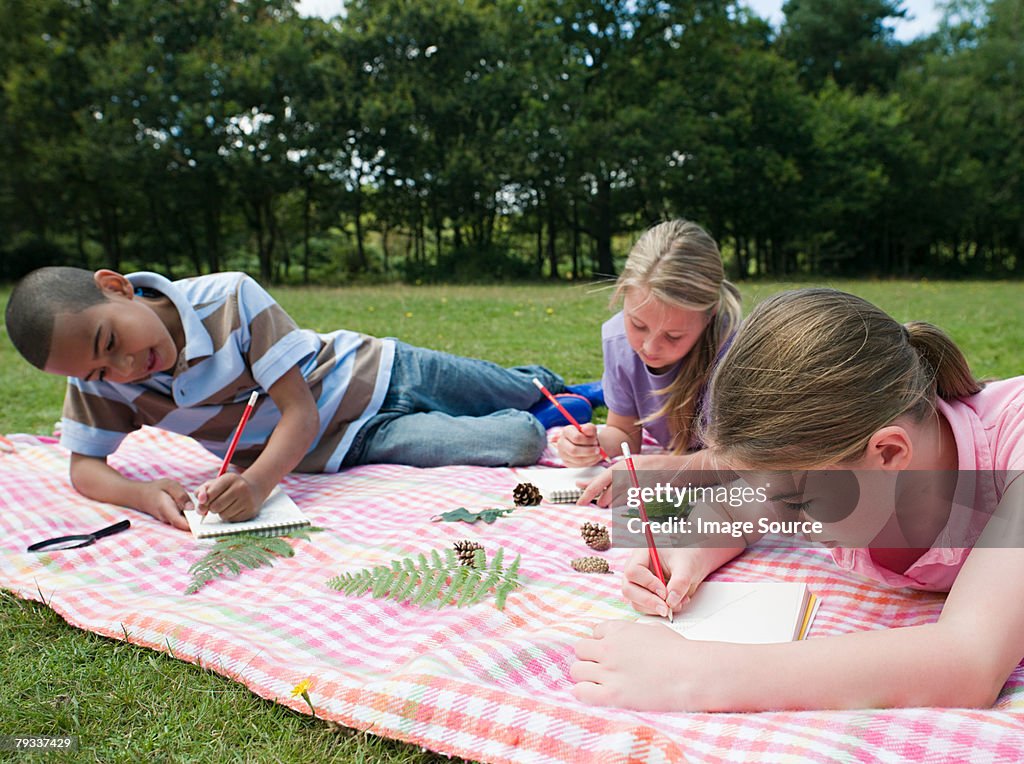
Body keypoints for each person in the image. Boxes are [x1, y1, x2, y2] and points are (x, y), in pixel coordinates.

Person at [570, 287, 1024, 712]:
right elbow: (735, 506)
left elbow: (969, 660)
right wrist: (684, 553)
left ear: (888, 452)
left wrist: (691, 673)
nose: (780, 518)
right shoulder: (835, 464)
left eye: (799, 507)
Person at [4, 267, 601, 530]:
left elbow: (299, 409)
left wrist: (258, 485)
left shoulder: (231, 298)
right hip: (352, 443)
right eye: (101, 370)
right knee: (520, 439)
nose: (125, 368)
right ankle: (542, 412)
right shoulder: (101, 380)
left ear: (117, 288)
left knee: (532, 392)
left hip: (384, 371)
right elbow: (84, 468)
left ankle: (549, 387)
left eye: (113, 342)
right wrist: (140, 493)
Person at [563, 219, 741, 505]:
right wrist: (591, 444)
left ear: (711, 314)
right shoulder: (618, 341)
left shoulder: (737, 355)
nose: (649, 347)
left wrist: (658, 471)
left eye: (673, 336)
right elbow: (624, 434)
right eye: (637, 324)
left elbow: (742, 461)